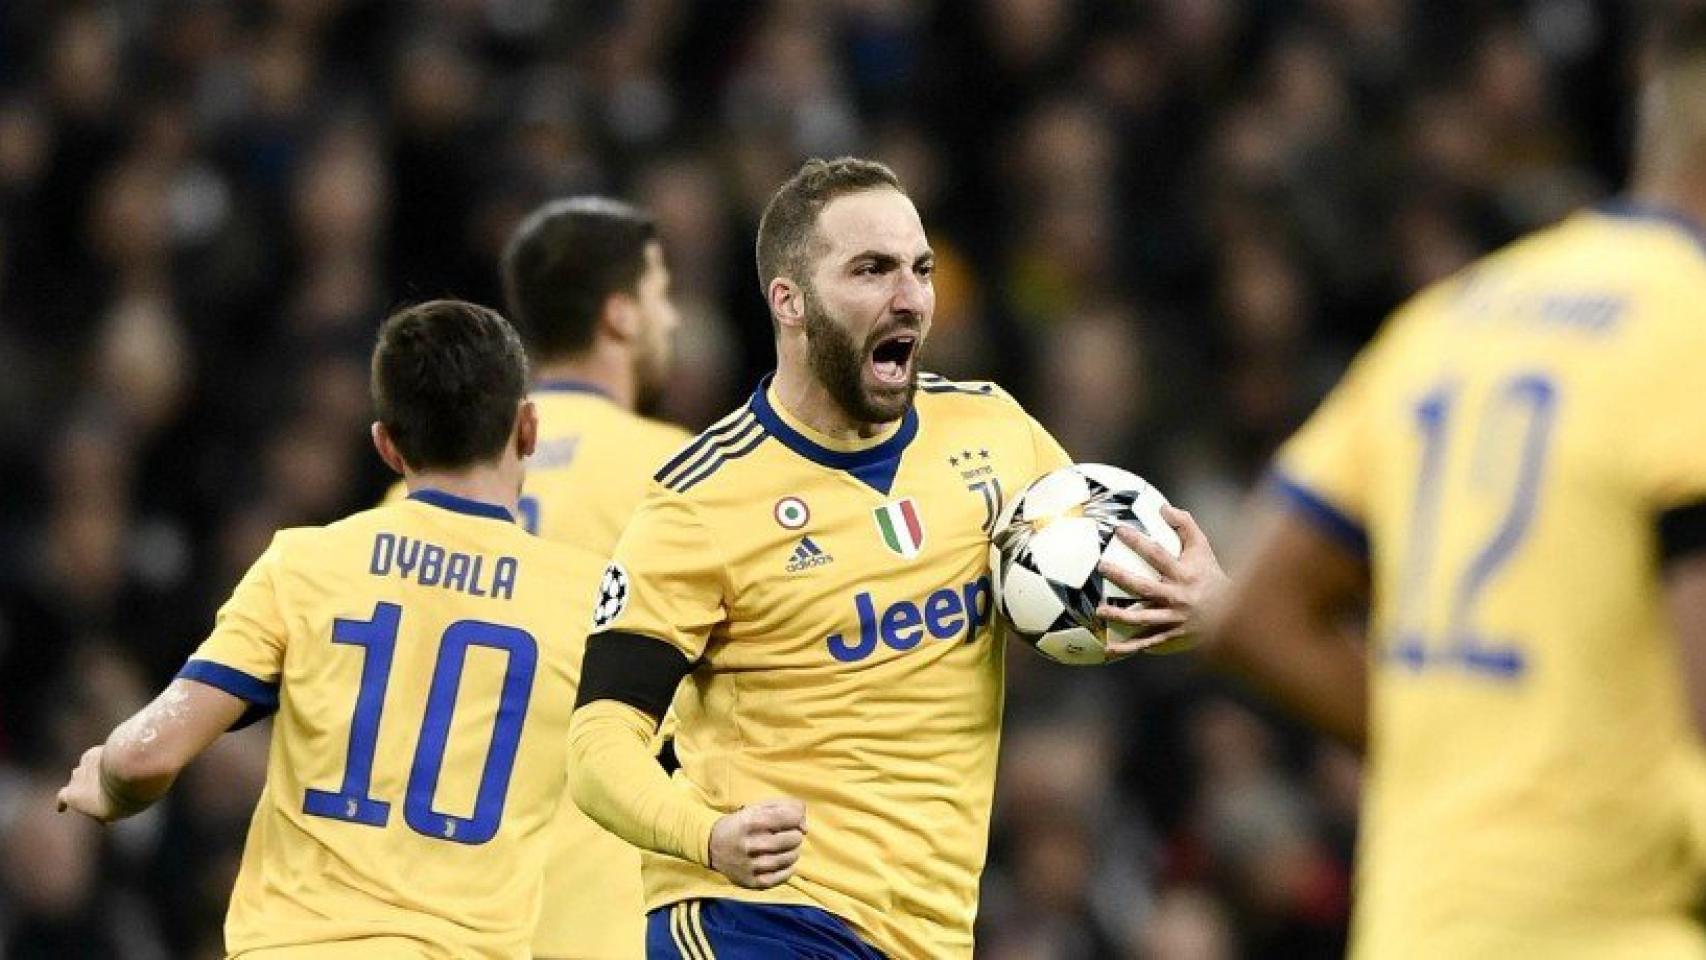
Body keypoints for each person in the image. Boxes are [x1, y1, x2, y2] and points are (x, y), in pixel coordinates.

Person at [1101, 11, 1706, 957]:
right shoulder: (1690, 327)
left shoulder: (1452, 319)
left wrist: (1462, 754)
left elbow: (1254, 610)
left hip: (1420, 923)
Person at [563, 157, 1212, 959]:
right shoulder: (700, 502)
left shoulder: (995, 435)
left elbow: (1128, 600)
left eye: (920, 269)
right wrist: (708, 836)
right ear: (789, 301)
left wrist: (1199, 606)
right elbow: (597, 744)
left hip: (923, 935)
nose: (908, 297)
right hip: (752, 917)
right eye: (871, 270)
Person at [58, 300, 607, 959]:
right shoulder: (587, 598)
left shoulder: (304, 564)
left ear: (386, 444)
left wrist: (109, 778)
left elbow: (149, 752)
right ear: (527, 429)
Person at [384, 197, 689, 959]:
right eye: (661, 296)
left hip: (439, 911)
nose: (673, 320)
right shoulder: (678, 474)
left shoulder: (411, 492)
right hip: (603, 905)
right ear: (619, 316)